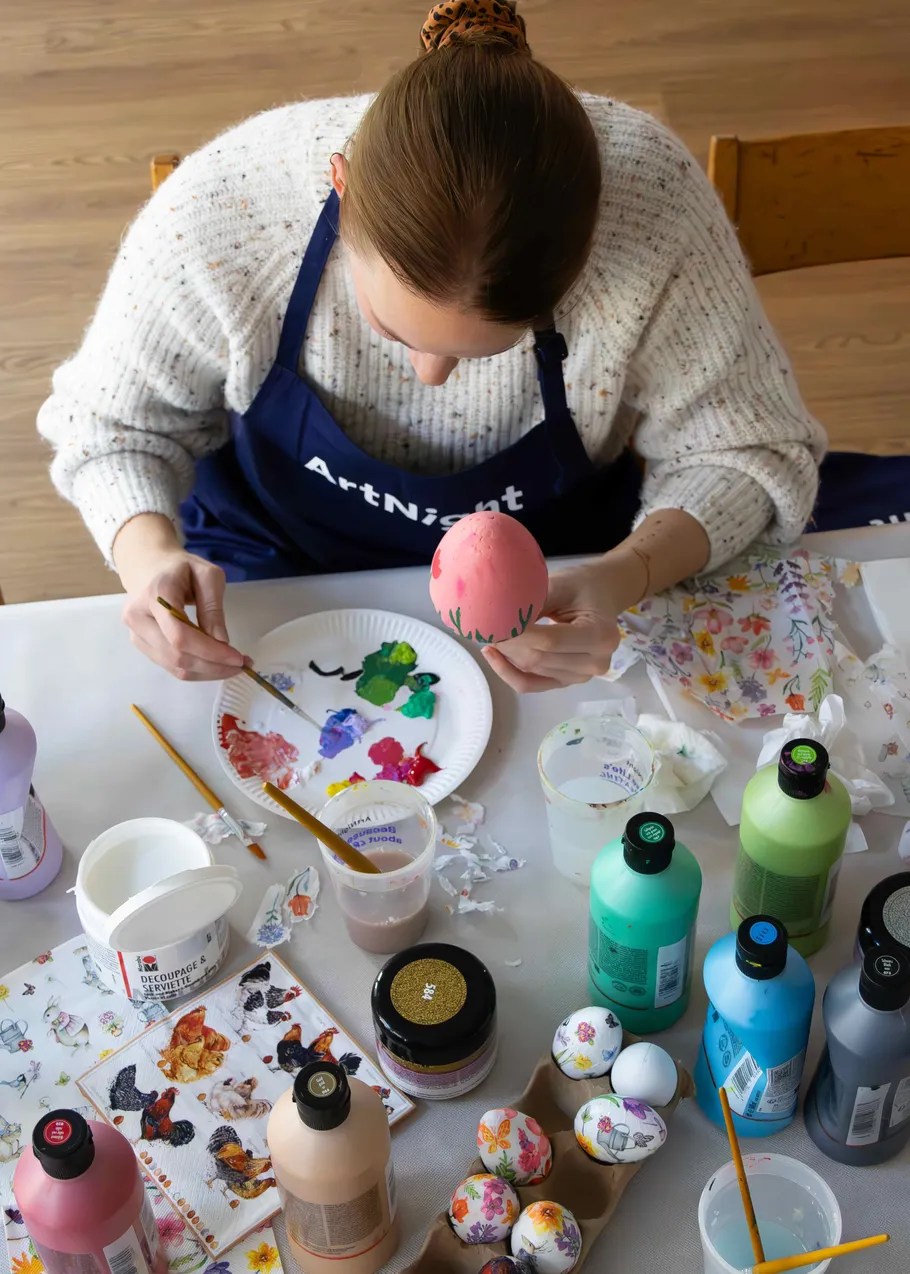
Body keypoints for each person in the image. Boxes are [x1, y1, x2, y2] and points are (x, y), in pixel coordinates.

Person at [39, 0, 826, 693]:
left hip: (558, 573)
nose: (431, 377)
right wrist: (145, 558)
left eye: (490, 350)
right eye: (394, 331)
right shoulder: (224, 213)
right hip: (280, 556)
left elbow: (745, 451)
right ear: (340, 190)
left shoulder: (652, 220)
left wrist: (628, 572)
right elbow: (110, 427)